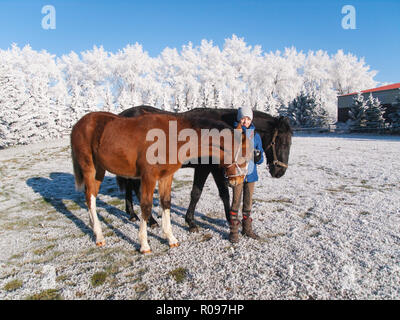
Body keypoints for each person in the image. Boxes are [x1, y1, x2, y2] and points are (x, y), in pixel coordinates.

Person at [229, 106, 264, 243]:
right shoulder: (234, 134)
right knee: (236, 202)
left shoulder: (255, 135)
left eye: (248, 118)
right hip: (238, 174)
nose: (245, 121)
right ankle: (233, 231)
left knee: (248, 202)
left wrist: (258, 156)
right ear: (239, 119)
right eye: (243, 118)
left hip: (251, 175)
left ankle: (247, 228)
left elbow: (260, 159)